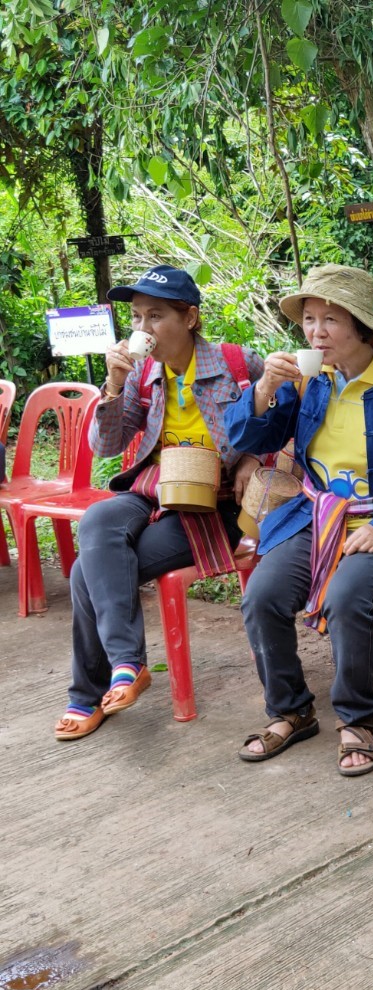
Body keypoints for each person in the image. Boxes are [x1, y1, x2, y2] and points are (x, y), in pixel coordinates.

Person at [226, 264, 373, 776]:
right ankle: (291, 709)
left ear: (360, 326)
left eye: (330, 319)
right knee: (261, 595)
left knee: (348, 595)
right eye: (309, 319)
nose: (316, 332)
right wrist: (263, 390)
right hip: (317, 517)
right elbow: (248, 439)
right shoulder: (309, 382)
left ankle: (357, 718)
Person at [53, 265, 265, 740]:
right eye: (136, 318)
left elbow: (283, 420)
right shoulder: (141, 372)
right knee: (101, 519)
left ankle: (89, 693)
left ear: (190, 318)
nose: (142, 329)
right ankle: (128, 663)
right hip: (151, 489)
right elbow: (108, 445)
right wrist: (111, 387)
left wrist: (253, 458)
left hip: (214, 504)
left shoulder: (237, 364)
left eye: (155, 316)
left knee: (89, 570)